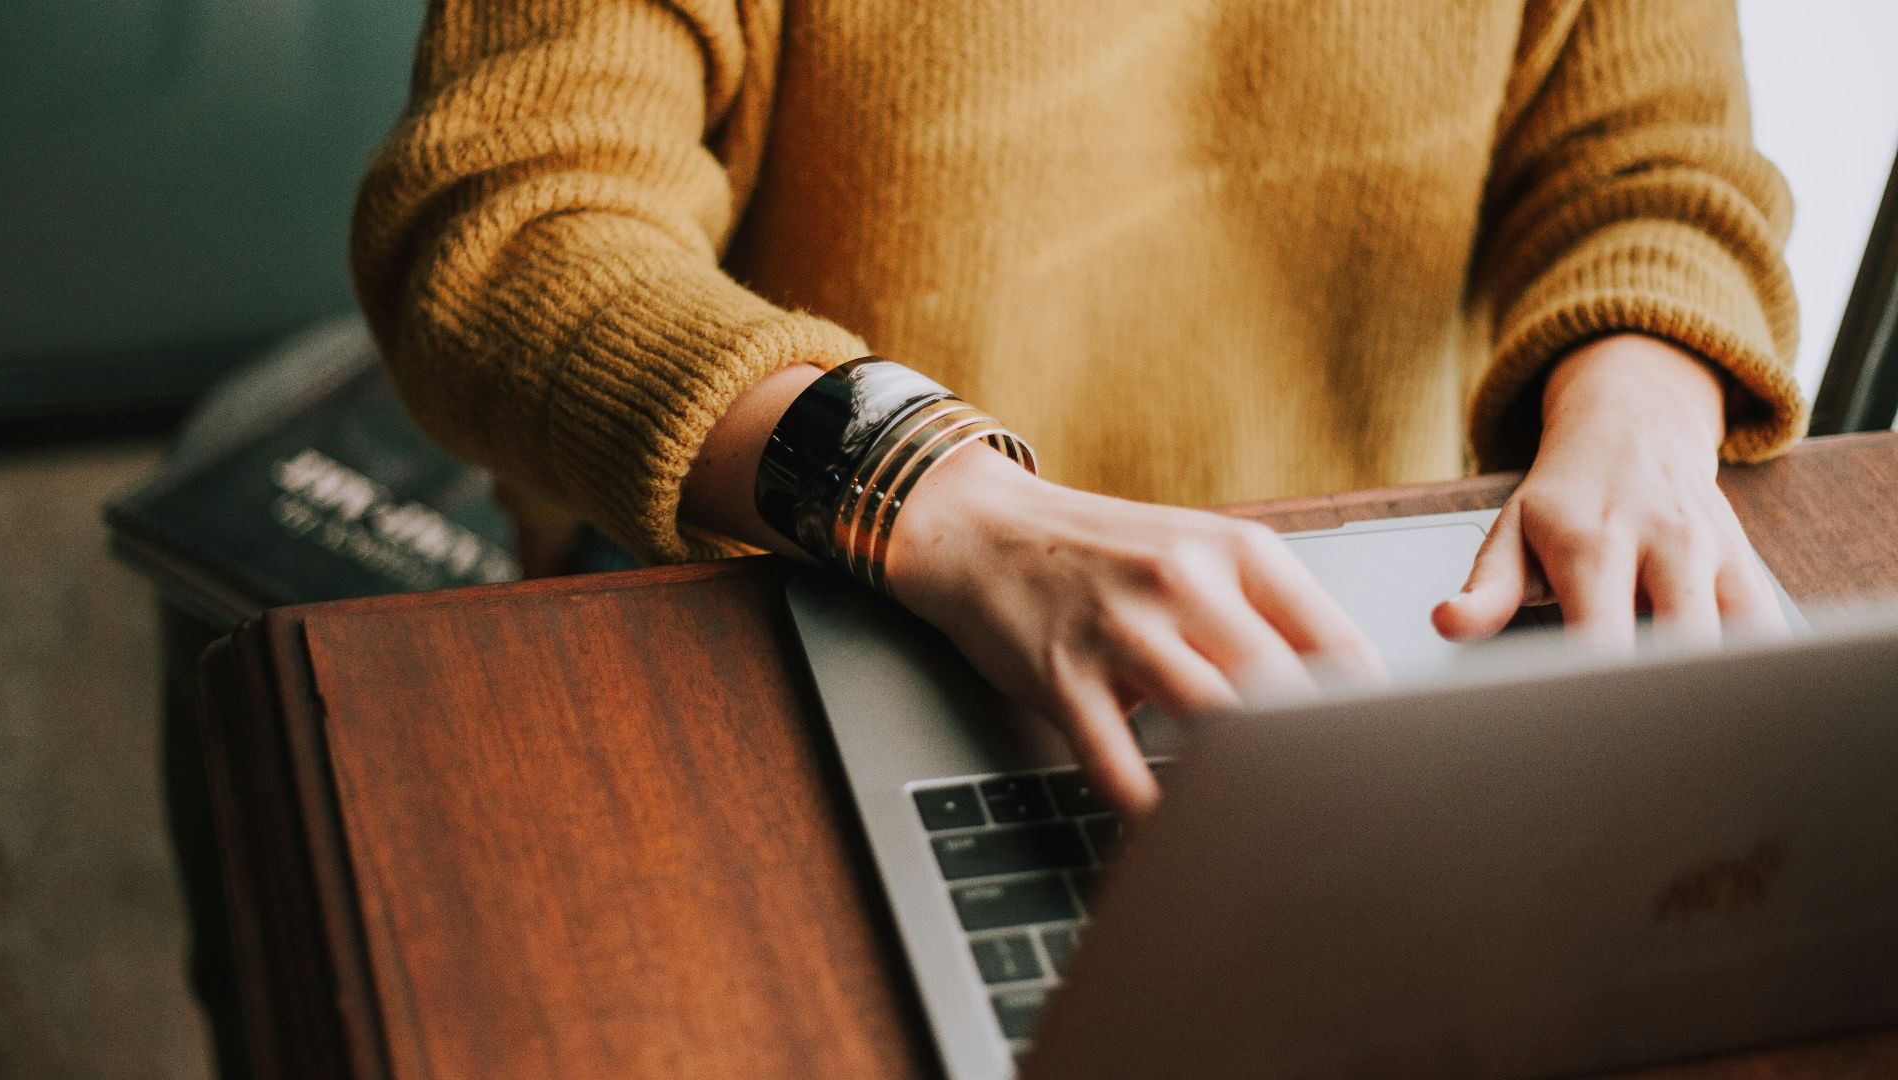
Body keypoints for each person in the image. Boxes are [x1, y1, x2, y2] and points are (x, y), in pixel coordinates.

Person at [352, 0, 1803, 817]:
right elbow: (508, 222)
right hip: (808, 587)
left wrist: (1641, 406)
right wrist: (939, 496)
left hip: (1352, 627)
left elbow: (1656, 160)